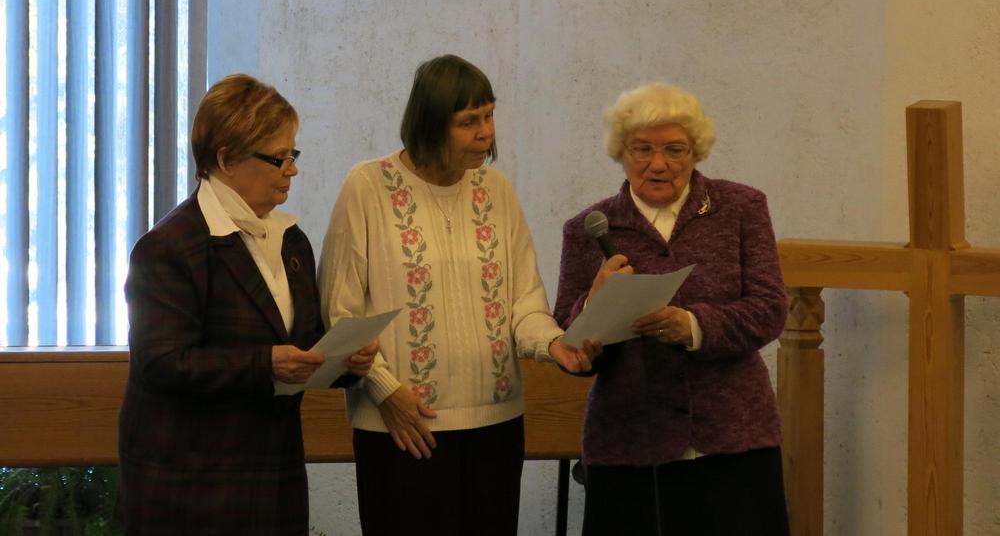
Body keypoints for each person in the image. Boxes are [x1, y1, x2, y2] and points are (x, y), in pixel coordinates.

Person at [320, 54, 600, 536]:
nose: (486, 132)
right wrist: (385, 391)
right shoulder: (367, 186)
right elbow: (340, 311)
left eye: (489, 116)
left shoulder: (497, 190)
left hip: (495, 422)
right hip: (404, 424)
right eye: (469, 121)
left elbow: (524, 303)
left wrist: (553, 343)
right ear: (429, 123)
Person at [118, 74, 377, 536]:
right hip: (192, 483)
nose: (292, 170)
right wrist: (265, 364)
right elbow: (162, 362)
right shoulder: (170, 246)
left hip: (273, 476)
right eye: (279, 158)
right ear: (226, 160)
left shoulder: (291, 240)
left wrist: (345, 361)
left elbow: (301, 344)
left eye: (293, 155)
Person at [553, 82, 790, 536]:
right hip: (628, 445)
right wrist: (592, 305)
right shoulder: (588, 229)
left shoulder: (741, 208)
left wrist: (694, 326)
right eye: (642, 148)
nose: (658, 164)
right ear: (621, 152)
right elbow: (569, 341)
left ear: (696, 151)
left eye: (674, 149)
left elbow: (770, 308)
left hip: (733, 439)